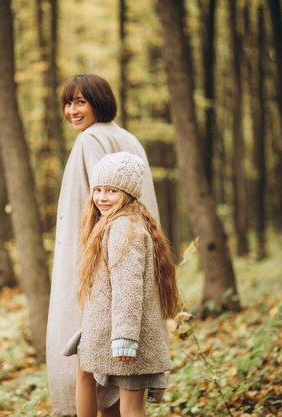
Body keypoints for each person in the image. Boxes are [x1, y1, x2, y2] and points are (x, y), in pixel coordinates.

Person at [46, 74, 161, 416]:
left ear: (99, 102)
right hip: (131, 254)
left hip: (99, 261)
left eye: (80, 102)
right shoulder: (129, 138)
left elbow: (98, 205)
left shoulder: (90, 139)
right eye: (68, 103)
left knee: (87, 360)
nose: (72, 111)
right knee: (113, 366)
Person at [75, 152, 180, 417]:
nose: (102, 197)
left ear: (129, 194)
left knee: (131, 407)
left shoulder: (124, 228)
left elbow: (128, 286)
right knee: (85, 375)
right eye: (98, 190)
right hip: (107, 331)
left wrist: (125, 337)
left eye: (112, 191)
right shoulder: (115, 223)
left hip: (125, 336)